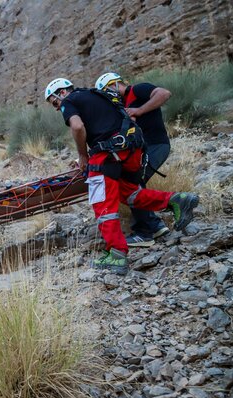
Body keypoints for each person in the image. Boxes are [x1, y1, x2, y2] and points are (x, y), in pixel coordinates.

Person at [44, 77, 199, 274]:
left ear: (62, 92)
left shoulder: (69, 101)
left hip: (108, 153)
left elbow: (77, 126)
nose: (57, 108)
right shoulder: (97, 94)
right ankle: (178, 200)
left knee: (102, 202)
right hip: (133, 149)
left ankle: (116, 254)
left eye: (55, 102)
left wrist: (83, 155)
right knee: (128, 193)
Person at [96, 72, 172, 247]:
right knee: (131, 181)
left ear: (114, 85)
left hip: (157, 144)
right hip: (144, 149)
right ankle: (154, 226)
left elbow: (164, 94)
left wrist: (139, 110)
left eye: (107, 92)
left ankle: (146, 232)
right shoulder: (122, 106)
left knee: (134, 182)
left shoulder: (138, 90)